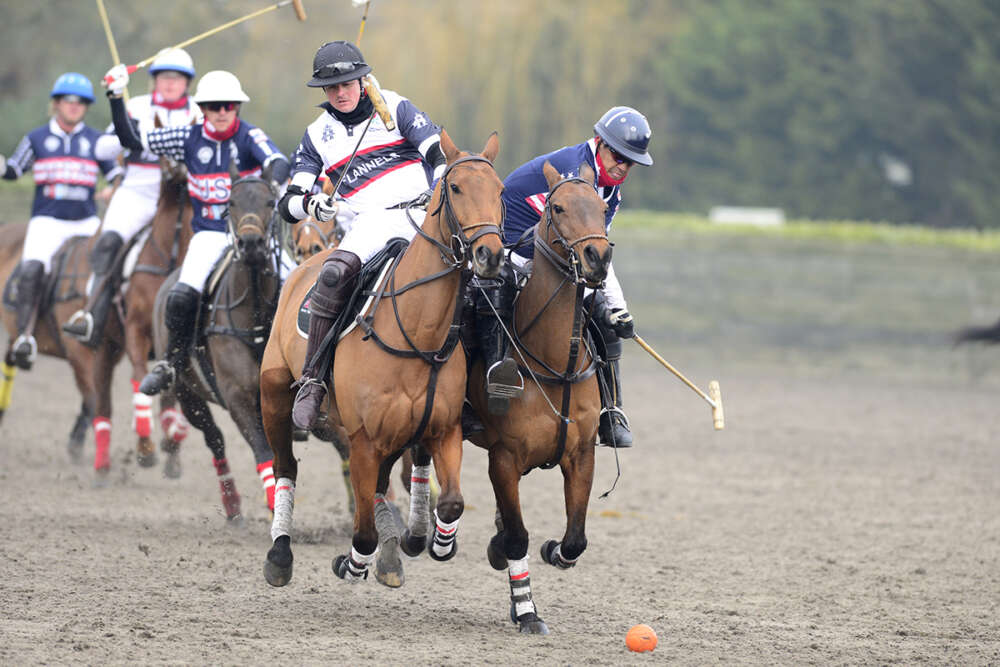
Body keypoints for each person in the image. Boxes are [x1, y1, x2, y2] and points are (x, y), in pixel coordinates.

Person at [277, 40, 448, 431]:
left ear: (363, 79)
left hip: (423, 214)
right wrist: (312, 205)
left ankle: (483, 376)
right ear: (323, 91)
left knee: (482, 271)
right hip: (369, 224)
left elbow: (438, 154)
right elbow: (289, 201)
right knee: (333, 274)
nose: (341, 93)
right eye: (332, 88)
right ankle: (313, 381)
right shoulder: (317, 135)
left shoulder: (396, 107)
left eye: (349, 84)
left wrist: (439, 193)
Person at [98, 64, 290, 395]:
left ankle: (314, 364)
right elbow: (130, 138)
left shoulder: (250, 136)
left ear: (237, 108)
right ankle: (171, 365)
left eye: (228, 106)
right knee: (181, 295)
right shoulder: (187, 137)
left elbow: (276, 161)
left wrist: (276, 176)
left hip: (255, 235)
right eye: (213, 106)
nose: (221, 112)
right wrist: (116, 97)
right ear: (201, 110)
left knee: (300, 284)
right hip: (211, 234)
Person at [480, 106, 654, 447]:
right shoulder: (577, 175)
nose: (622, 165)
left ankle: (611, 410)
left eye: (630, 161)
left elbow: (597, 251)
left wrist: (620, 309)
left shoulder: (611, 193)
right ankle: (490, 379)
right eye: (618, 155)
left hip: (557, 255)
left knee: (605, 315)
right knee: (492, 292)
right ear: (599, 143)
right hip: (513, 245)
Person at [63, 48, 203, 346]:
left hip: (185, 196)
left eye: (176, 78)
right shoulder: (136, 106)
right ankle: (90, 315)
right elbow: (101, 150)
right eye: (163, 76)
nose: (169, 83)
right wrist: (127, 135)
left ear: (187, 83)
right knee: (109, 241)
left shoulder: (200, 111)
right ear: (154, 80)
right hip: (138, 191)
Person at [0, 73, 121, 369]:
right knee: (32, 268)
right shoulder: (37, 139)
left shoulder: (96, 141)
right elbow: (14, 170)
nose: (75, 106)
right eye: (69, 100)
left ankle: (102, 324)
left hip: (86, 220)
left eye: (81, 102)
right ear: (56, 104)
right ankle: (25, 335)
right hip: (48, 221)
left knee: (113, 265)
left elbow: (116, 174)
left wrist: (112, 187)